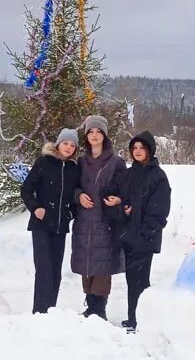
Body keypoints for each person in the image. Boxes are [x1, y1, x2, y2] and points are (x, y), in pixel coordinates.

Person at [105, 130, 171, 332]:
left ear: (150, 150)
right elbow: (111, 196)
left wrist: (145, 230)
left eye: (142, 147)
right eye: (135, 148)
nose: (138, 151)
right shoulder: (128, 174)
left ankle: (142, 320)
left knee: (141, 281)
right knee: (131, 279)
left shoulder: (158, 176)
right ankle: (133, 318)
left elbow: (159, 210)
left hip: (145, 237)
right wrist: (123, 205)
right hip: (128, 236)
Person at [71, 115, 127, 320]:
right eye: (91, 132)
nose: (94, 135)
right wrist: (79, 196)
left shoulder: (116, 162)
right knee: (86, 262)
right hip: (84, 220)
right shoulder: (81, 162)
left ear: (104, 135)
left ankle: (99, 308)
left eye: (98, 132)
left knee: (103, 263)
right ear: (86, 136)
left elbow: (126, 189)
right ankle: (90, 305)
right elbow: (72, 186)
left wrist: (118, 200)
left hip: (105, 222)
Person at [20, 128, 81, 314]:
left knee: (55, 271)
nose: (68, 147)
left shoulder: (74, 169)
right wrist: (36, 207)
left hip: (61, 226)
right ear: (58, 144)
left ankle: (51, 311)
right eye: (65, 143)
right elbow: (26, 189)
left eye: (72, 145)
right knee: (44, 269)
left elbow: (74, 196)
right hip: (41, 224)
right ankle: (39, 311)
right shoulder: (43, 163)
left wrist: (71, 213)